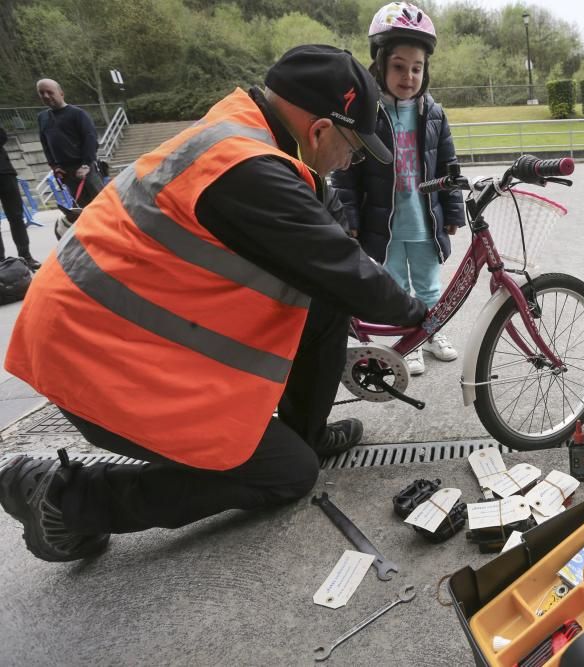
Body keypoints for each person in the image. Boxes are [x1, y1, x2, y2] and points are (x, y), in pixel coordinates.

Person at [0, 45, 426, 563]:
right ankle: (66, 499)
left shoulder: (254, 132)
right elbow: (344, 266)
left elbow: (330, 234)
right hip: (94, 359)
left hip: (121, 335)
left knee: (322, 305)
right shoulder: (245, 169)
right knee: (289, 475)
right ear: (318, 131)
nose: (350, 161)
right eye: (354, 149)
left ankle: (301, 436)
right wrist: (419, 310)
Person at [331, 2, 464, 376]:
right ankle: (409, 341)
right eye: (399, 66)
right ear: (380, 64)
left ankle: (432, 334)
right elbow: (345, 175)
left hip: (423, 221)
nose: (409, 76)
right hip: (384, 227)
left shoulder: (433, 113)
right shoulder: (367, 115)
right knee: (395, 288)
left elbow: (448, 167)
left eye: (417, 68)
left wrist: (453, 212)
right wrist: (351, 217)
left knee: (429, 286)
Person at [36, 78, 105, 207]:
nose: (46, 96)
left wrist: (85, 165)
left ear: (61, 93)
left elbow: (90, 139)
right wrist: (54, 166)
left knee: (101, 205)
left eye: (50, 92)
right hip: (65, 172)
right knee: (82, 208)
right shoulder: (42, 117)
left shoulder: (78, 114)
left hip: (85, 168)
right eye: (41, 93)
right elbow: (45, 143)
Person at [0, 128, 41, 270]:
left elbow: (2, 137)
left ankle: (26, 256)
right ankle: (1, 262)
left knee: (16, 216)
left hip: (5, 173)